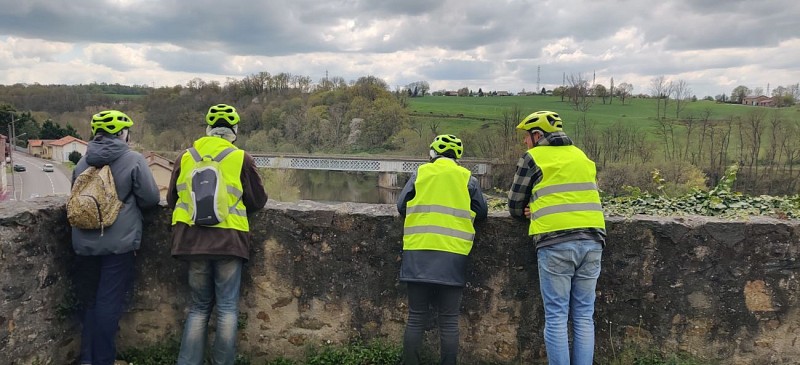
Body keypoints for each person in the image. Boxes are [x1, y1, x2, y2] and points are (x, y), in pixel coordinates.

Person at [168, 103, 268, 365]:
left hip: (191, 241)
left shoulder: (186, 157)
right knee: (226, 309)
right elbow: (258, 201)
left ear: (208, 129)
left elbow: (171, 199)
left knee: (199, 308)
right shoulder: (240, 158)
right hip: (229, 242)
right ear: (233, 131)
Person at [507, 111, 606, 365]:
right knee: (584, 316)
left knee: (556, 317)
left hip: (556, 242)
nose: (525, 142)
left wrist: (529, 208)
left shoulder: (533, 157)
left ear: (538, 135)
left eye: (527, 137)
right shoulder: (582, 156)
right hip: (593, 240)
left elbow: (515, 204)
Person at [71, 110, 161, 365]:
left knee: (89, 302)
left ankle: (86, 359)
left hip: (82, 244)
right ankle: (103, 360)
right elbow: (151, 199)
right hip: (118, 245)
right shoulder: (133, 159)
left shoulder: (82, 162)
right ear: (123, 134)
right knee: (108, 304)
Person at [396, 134, 488, 365]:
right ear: (457, 157)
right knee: (448, 320)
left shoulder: (421, 173)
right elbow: (482, 212)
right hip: (453, 255)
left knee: (416, 317)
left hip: (418, 251)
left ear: (432, 154)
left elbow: (401, 206)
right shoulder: (468, 179)